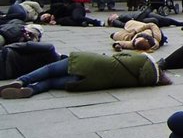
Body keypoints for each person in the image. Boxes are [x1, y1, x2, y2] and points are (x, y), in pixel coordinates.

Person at [0, 51, 170, 98]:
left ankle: (22, 81)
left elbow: (119, 56)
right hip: (90, 82)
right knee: (52, 83)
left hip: (88, 62)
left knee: (49, 69)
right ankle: (33, 90)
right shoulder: (142, 82)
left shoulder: (142, 59)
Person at [1, 41, 65, 80]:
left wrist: (5, 48)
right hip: (7, 74)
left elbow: (25, 45)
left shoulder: (49, 48)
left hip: (6, 57)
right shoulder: (54, 73)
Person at [107, 9, 183, 28]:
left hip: (140, 16)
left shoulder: (119, 18)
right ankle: (177, 23)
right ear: (111, 19)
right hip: (139, 18)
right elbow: (124, 23)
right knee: (156, 19)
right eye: (111, 15)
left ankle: (177, 23)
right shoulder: (116, 20)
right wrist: (132, 21)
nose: (112, 14)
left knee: (160, 19)